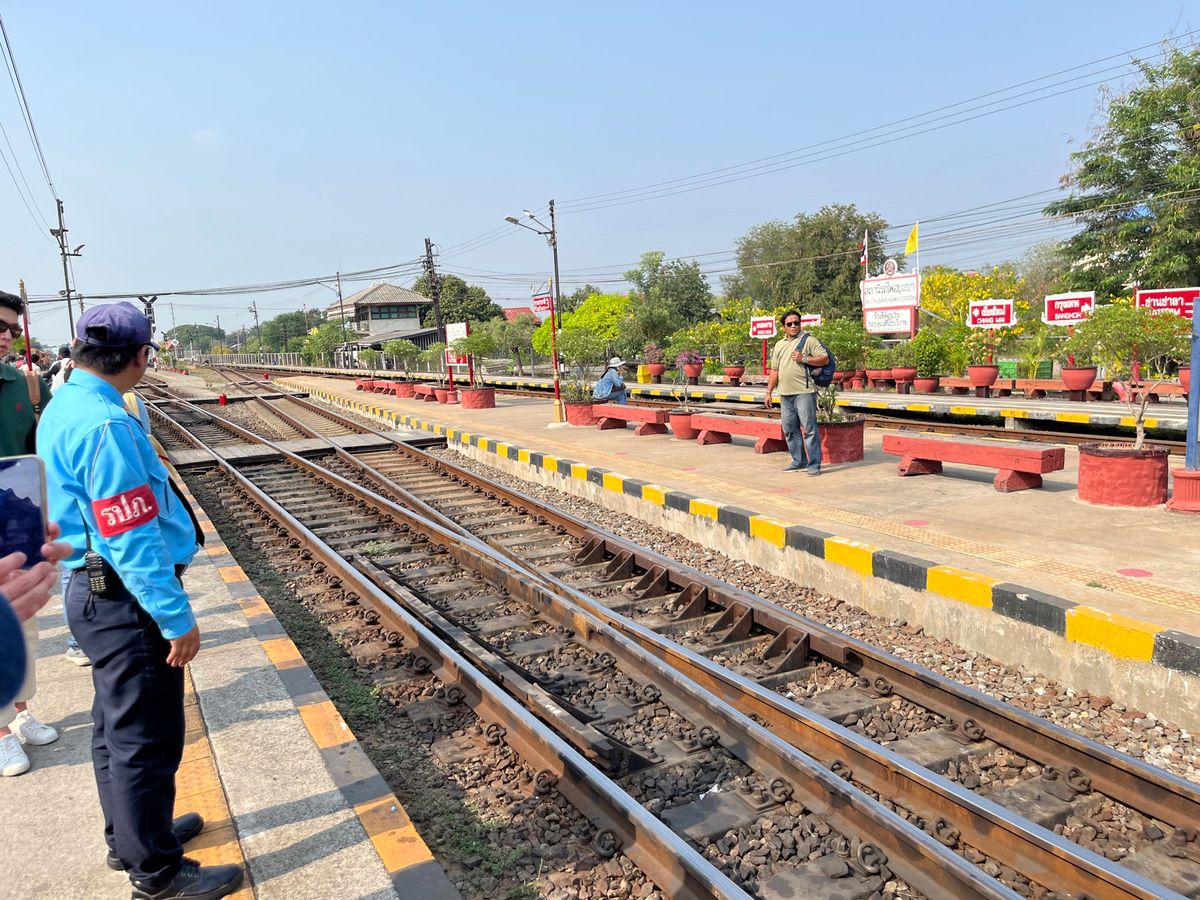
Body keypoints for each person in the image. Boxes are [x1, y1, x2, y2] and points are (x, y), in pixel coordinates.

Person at [38, 302, 243, 900]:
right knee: (145, 740)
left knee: (114, 731)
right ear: (139, 357)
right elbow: (129, 535)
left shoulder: (67, 403)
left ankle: (132, 836)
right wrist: (175, 617)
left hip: (96, 594)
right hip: (125, 599)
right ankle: (157, 874)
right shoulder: (107, 424)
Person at [0, 291, 59, 774]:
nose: (5, 336)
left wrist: (38, 405)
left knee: (24, 622)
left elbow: (36, 447)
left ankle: (21, 713)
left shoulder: (20, 382)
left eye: (10, 329)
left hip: (13, 517)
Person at [764, 310, 828, 476]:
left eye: (796, 323)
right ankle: (799, 461)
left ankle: (814, 464)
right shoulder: (779, 345)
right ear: (783, 327)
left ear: (800, 324)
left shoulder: (809, 340)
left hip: (804, 392)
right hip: (785, 394)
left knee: (809, 429)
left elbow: (824, 359)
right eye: (789, 324)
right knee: (790, 429)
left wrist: (804, 358)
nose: (793, 326)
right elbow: (774, 370)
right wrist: (769, 392)